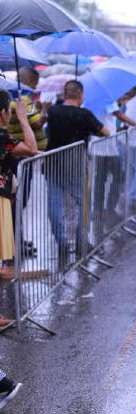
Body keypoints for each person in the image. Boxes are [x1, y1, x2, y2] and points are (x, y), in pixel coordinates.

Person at [46, 81, 109, 263]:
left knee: (54, 205)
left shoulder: (53, 111)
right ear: (80, 94)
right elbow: (105, 132)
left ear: (65, 94)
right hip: (76, 165)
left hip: (52, 164)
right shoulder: (85, 115)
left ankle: (62, 244)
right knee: (82, 204)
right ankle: (81, 243)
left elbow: (44, 124)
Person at [0, 90, 38, 286]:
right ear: (3, 113)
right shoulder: (1, 135)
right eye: (8, 111)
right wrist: (24, 119)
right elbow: (31, 148)